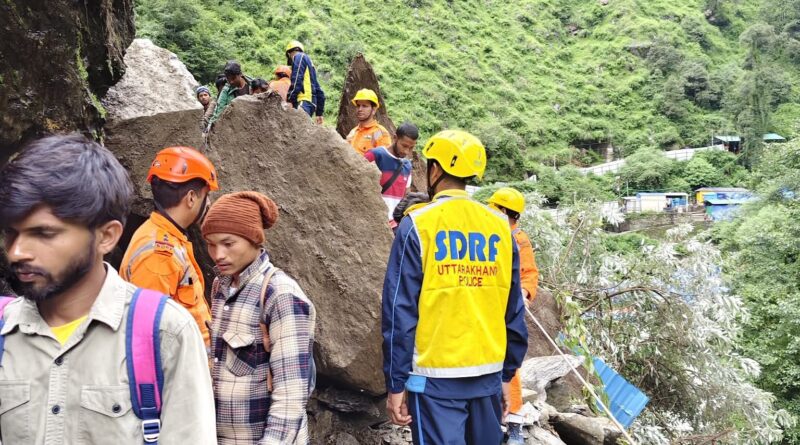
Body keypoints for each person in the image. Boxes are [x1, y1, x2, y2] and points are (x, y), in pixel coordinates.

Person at [0, 134, 216, 444]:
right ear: (193, 197)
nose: (17, 252)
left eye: (43, 233)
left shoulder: (168, 333)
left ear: (107, 236)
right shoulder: (158, 253)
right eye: (11, 233)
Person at [381, 130, 528, 445]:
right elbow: (513, 310)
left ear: (435, 170)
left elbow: (399, 310)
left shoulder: (418, 224)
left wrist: (395, 384)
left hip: (434, 381)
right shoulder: (501, 228)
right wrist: (506, 375)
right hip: (487, 376)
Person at [202, 191, 316, 444]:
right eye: (211, 243)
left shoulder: (280, 295)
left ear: (254, 239)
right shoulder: (220, 288)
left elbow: (290, 397)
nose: (218, 254)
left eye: (228, 243)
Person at [120, 146, 219, 346]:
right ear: (191, 198)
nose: (208, 203)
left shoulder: (168, 238)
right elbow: (148, 337)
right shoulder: (158, 256)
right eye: (205, 195)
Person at [487, 186, 540, 445]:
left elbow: (529, 274)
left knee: (510, 364)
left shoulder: (518, 239)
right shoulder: (485, 233)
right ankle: (491, 417)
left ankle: (515, 421)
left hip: (507, 309)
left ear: (504, 211)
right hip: (487, 305)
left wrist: (523, 295)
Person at [364, 122, 418, 229]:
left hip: (394, 226)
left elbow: (405, 195)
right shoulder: (375, 155)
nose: (407, 151)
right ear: (395, 138)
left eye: (411, 148)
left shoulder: (407, 165)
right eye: (404, 146)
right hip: (373, 221)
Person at [285, 40, 325, 124]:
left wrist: (289, 100)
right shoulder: (310, 66)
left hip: (303, 101)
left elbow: (296, 79)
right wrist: (319, 113)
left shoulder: (299, 56)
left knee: (297, 128)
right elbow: (319, 90)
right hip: (310, 104)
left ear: (289, 54)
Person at [346, 88, 392, 155]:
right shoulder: (354, 132)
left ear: (373, 110)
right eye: (358, 105)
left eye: (364, 106)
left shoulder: (379, 132)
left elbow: (384, 160)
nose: (360, 109)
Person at [209, 61, 251, 129]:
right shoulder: (226, 90)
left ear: (240, 74)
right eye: (228, 79)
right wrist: (210, 128)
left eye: (233, 78)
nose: (231, 81)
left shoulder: (251, 85)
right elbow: (219, 110)